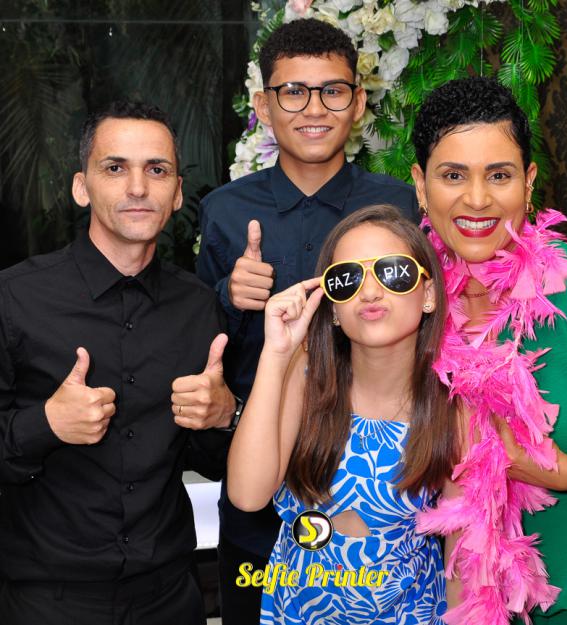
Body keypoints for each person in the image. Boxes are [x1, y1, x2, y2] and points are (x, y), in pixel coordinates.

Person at [196, 18, 419, 624]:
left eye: (332, 91)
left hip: (380, 488)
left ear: (358, 102)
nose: (314, 108)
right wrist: (227, 295)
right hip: (259, 474)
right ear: (263, 105)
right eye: (293, 91)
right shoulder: (224, 211)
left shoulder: (399, 206)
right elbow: (199, 343)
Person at [0, 101, 238, 625]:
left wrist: (225, 416)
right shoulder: (14, 298)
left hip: (171, 596)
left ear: (177, 192)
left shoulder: (198, 306)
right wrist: (46, 424)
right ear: (81, 187)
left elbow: (215, 461)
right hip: (47, 601)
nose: (137, 187)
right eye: (115, 168)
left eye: (156, 170)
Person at [411, 77, 567, 624]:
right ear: (420, 185)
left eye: (499, 175)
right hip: (465, 600)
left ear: (528, 183)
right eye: (453, 175)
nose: (477, 199)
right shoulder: (410, 304)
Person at [227, 204, 457, 625]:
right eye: (347, 279)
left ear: (428, 294)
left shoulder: (452, 404)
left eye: (393, 272)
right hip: (296, 611)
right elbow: (247, 494)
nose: (369, 293)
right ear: (332, 307)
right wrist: (276, 354)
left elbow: (464, 555)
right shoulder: (305, 376)